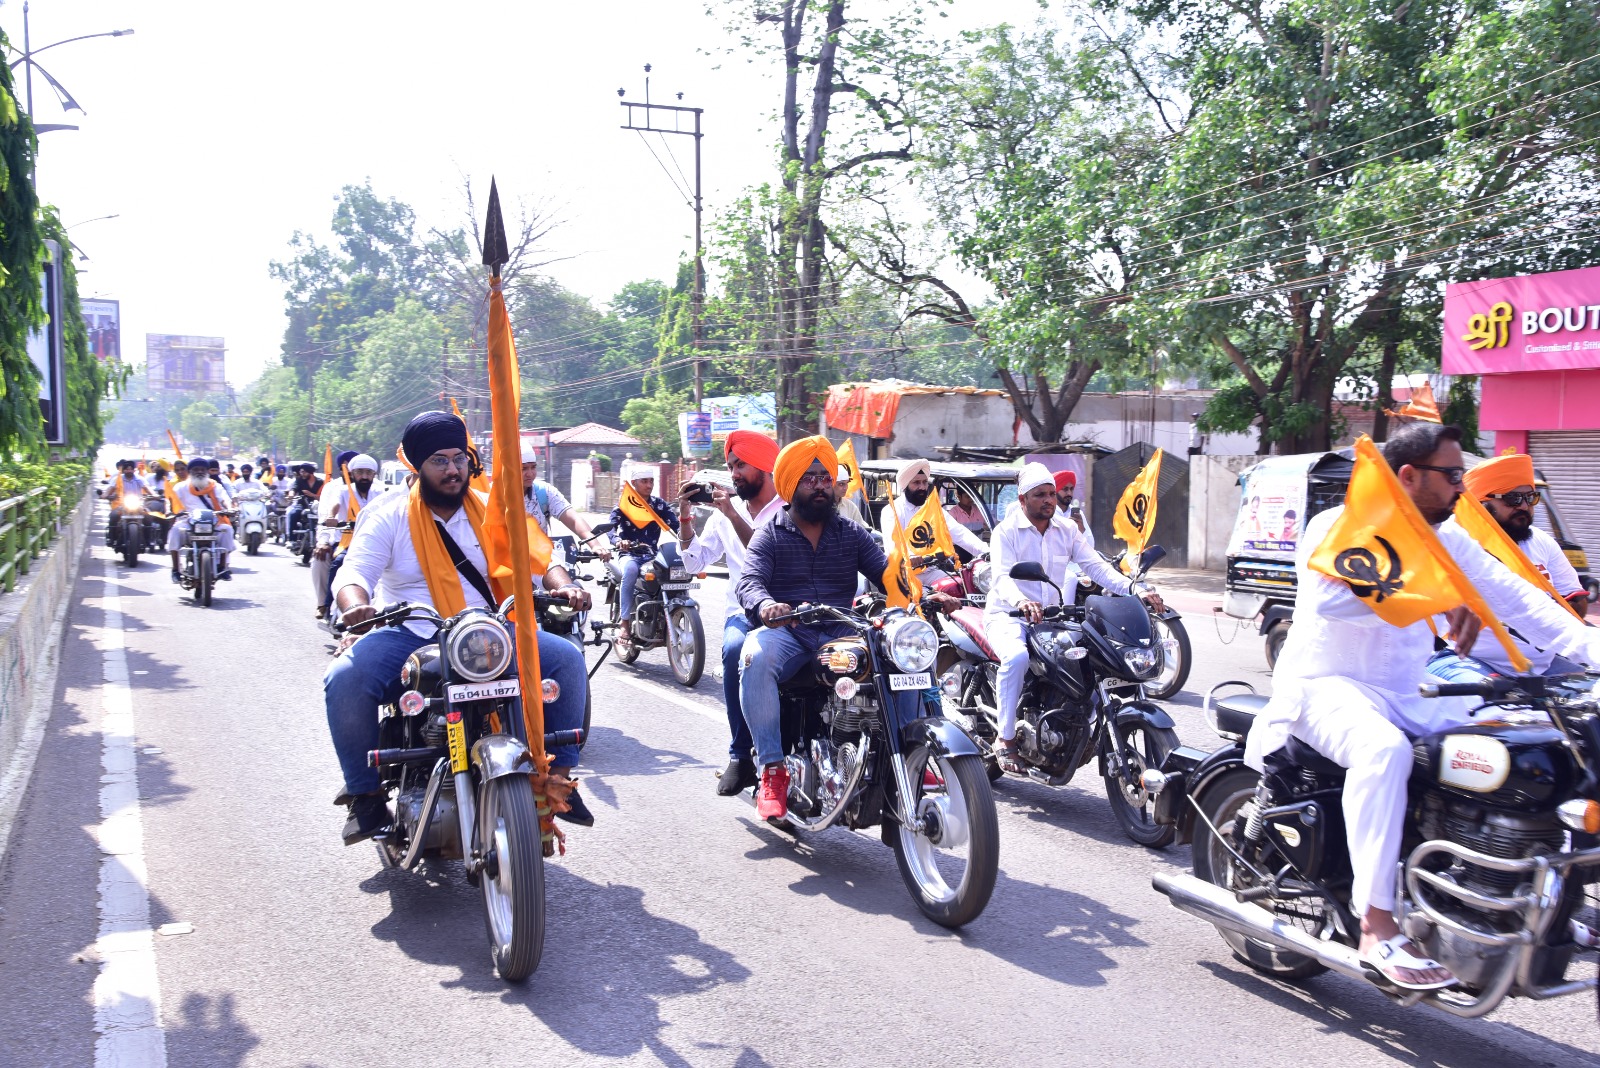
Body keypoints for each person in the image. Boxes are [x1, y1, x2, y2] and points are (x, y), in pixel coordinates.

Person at [1243, 422, 1600, 991]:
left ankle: (1522, 899)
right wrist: (1441, 594)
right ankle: (1377, 927)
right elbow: (1331, 602)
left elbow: (1525, 602)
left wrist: (1592, 651)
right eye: (1452, 475)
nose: (1462, 487)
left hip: (1409, 692)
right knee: (1382, 753)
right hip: (1325, 686)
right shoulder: (1335, 528)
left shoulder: (1451, 535)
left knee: (1518, 740)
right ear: (1408, 476)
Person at [326, 412, 593, 844]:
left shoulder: (494, 508)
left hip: (488, 633)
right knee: (345, 677)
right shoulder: (388, 514)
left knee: (566, 660)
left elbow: (541, 558)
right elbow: (354, 573)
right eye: (439, 460)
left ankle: (557, 781)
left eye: (459, 459)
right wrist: (356, 605)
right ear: (416, 466)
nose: (452, 470)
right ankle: (365, 795)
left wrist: (566, 587)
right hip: (413, 635)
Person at [735, 435, 925, 820]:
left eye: (826, 477)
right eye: (810, 478)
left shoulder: (850, 533)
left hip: (840, 631)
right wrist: (767, 605)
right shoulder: (769, 535)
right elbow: (749, 582)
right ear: (790, 484)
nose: (820, 485)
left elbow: (886, 575)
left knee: (904, 657)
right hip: (789, 631)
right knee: (754, 654)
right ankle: (772, 771)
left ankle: (911, 756)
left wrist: (923, 593)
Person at [985, 463, 1164, 772]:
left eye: (1052, 494)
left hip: (1051, 619)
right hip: (1009, 615)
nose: (1049, 501)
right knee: (1015, 658)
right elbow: (1001, 578)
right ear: (1023, 498)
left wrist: (1136, 588)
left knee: (1088, 659)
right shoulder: (1006, 532)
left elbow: (1096, 567)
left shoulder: (1067, 529)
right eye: (1040, 495)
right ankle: (1005, 738)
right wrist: (1021, 599)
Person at [675, 430, 784, 795]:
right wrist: (686, 519)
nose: (734, 473)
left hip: (787, 609)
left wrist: (731, 512)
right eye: (730, 466)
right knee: (734, 650)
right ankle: (740, 756)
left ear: (765, 467)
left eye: (741, 465)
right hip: (744, 610)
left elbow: (766, 554)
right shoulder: (724, 512)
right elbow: (693, 563)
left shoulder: (789, 508)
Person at [608, 466, 679, 644]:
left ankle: (669, 613)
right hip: (629, 554)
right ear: (634, 483)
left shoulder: (658, 504)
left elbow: (676, 525)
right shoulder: (624, 504)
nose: (649, 485)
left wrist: (688, 534)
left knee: (673, 570)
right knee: (630, 570)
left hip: (651, 555)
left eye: (651, 481)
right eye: (644, 481)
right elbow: (610, 528)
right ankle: (624, 623)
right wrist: (618, 541)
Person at [314, 454, 384, 619]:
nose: (364, 476)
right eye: (360, 472)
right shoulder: (343, 490)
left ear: (374, 474)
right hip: (345, 542)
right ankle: (326, 604)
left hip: (374, 542)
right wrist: (332, 517)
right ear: (352, 474)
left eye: (368, 472)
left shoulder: (379, 491)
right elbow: (335, 505)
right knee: (337, 562)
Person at [879, 459, 988, 560]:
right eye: (916, 483)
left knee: (959, 581)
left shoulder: (933, 509)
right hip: (903, 573)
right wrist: (911, 557)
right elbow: (893, 547)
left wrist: (986, 551)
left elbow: (960, 533)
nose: (922, 487)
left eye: (925, 482)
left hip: (931, 570)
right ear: (905, 485)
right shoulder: (892, 511)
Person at [521, 441, 609, 566]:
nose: (530, 473)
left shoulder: (543, 491)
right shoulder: (492, 496)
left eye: (533, 467)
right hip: (507, 566)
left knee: (571, 584)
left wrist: (595, 544)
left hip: (540, 562)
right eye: (523, 468)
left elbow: (573, 519)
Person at [166, 456, 235, 582]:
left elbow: (225, 499)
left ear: (207, 471)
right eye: (196, 469)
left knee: (227, 529)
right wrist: (170, 511)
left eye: (202, 469)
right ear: (190, 472)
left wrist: (229, 508)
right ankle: (175, 569)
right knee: (175, 530)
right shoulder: (181, 487)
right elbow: (171, 501)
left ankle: (222, 567)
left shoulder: (216, 486)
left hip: (212, 521)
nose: (199, 472)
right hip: (188, 521)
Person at [286, 462, 325, 546]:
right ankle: (292, 540)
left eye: (304, 472)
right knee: (293, 514)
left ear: (310, 472)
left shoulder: (320, 482)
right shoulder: (299, 480)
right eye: (301, 472)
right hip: (302, 505)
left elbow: (324, 496)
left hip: (316, 507)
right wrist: (291, 494)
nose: (301, 474)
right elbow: (294, 488)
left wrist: (312, 495)